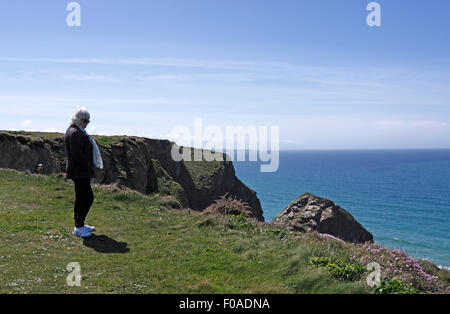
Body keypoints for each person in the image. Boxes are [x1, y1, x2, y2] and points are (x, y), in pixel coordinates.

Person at [64, 107, 103, 238]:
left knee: (81, 197)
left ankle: (79, 224)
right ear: (78, 120)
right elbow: (77, 155)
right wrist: (87, 165)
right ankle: (78, 227)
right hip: (80, 171)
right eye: (85, 121)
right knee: (87, 198)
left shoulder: (75, 131)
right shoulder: (76, 133)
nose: (87, 123)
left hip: (79, 171)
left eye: (88, 121)